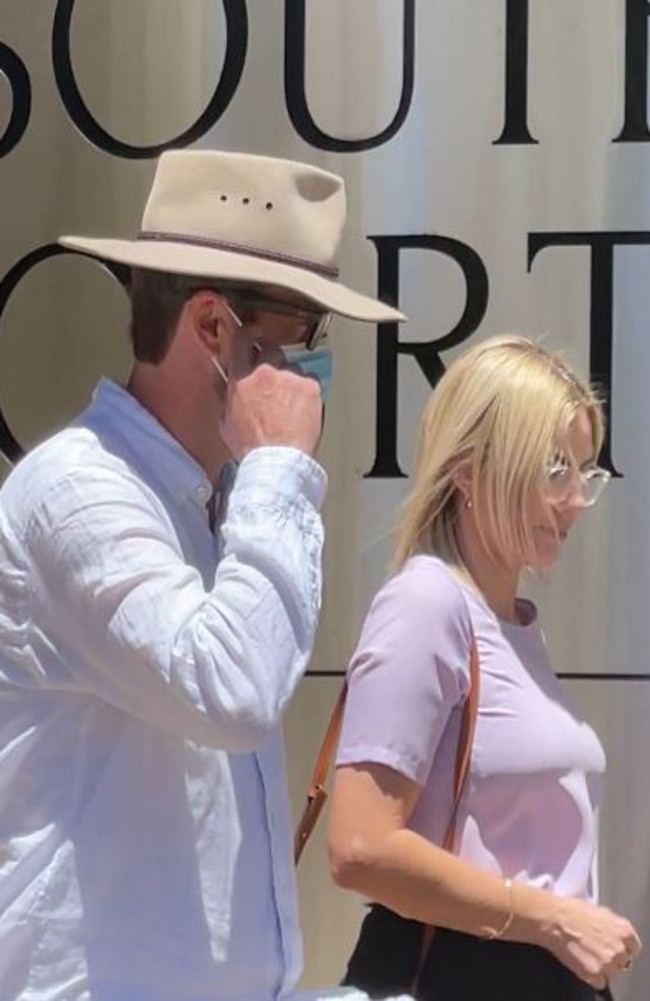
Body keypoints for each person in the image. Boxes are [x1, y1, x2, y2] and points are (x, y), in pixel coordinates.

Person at [0, 149, 405, 1001]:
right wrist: (279, 471)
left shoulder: (202, 500)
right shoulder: (79, 491)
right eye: (301, 339)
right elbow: (230, 689)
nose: (309, 372)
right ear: (215, 329)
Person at [327, 336, 642, 1001]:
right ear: (469, 470)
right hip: (464, 976)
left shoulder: (510, 619)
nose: (577, 498)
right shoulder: (429, 603)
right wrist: (555, 918)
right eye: (554, 467)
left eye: (585, 470)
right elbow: (360, 844)